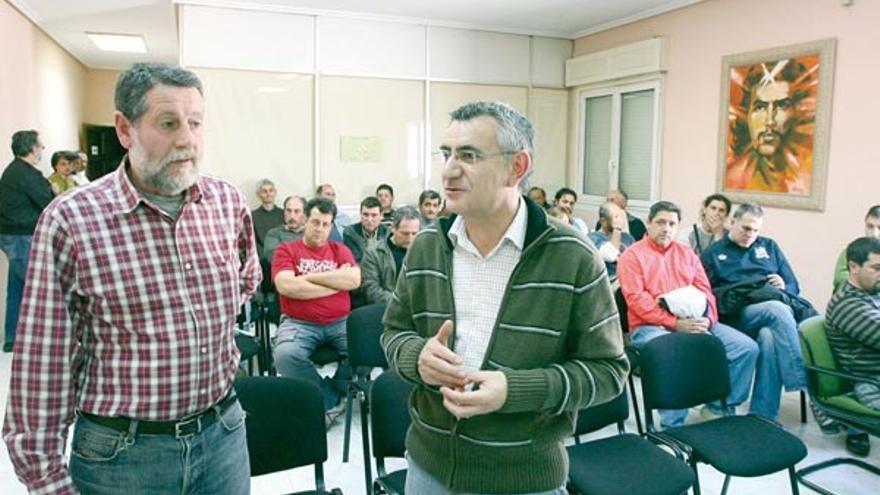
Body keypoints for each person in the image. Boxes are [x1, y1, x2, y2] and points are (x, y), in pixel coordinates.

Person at [2, 63, 261, 494]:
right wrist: (46, 479)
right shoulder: (72, 220)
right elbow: (43, 362)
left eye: (195, 123)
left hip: (223, 439)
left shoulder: (226, 202)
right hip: (123, 456)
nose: (187, 139)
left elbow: (246, 279)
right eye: (168, 123)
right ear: (124, 129)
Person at [381, 101, 628, 494]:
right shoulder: (427, 245)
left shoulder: (573, 256)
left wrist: (515, 390)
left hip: (524, 477)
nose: (448, 170)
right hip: (428, 470)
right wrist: (417, 358)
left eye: (469, 155)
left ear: (517, 166)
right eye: (446, 154)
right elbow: (394, 331)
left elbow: (608, 372)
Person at [617, 201, 758, 428]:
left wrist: (708, 319)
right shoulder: (632, 256)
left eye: (672, 224)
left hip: (695, 321)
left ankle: (717, 408)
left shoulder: (686, 254)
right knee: (676, 352)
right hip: (649, 327)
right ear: (648, 223)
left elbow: (706, 292)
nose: (666, 229)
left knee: (746, 348)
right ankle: (673, 426)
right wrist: (674, 323)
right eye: (661, 222)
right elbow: (636, 301)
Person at [701, 203, 810, 420]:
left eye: (756, 230)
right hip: (734, 317)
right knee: (776, 309)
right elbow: (706, 294)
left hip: (769, 314)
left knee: (770, 337)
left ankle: (763, 415)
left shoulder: (769, 247)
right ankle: (803, 382)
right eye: (745, 228)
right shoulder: (714, 253)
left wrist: (783, 285)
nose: (750, 234)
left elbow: (793, 286)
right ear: (732, 222)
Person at [272, 197, 360, 421]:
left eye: (325, 224)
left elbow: (353, 281)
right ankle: (325, 397)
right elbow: (287, 286)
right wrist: (335, 283)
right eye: (315, 222)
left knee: (368, 350)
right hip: (298, 322)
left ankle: (337, 388)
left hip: (340, 321)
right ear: (305, 220)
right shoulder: (286, 250)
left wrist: (309, 278)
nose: (320, 229)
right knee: (284, 357)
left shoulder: (340, 250)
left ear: (332, 226)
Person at [726, 59, 815, 193]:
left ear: (797, 112)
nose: (769, 121)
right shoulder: (732, 178)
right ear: (747, 113)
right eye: (760, 108)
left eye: (782, 107)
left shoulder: (808, 176)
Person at [0, 130, 53, 353]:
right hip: (23, 237)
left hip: (11, 236)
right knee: (39, 289)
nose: (42, 150)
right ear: (32, 149)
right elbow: (48, 203)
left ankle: (12, 338)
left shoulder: (12, 171)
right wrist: (54, 191)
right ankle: (41, 340)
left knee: (17, 288)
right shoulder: (28, 174)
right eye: (41, 146)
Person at [826, 236, 880, 457]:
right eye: (876, 268)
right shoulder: (848, 304)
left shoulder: (871, 292)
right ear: (853, 267)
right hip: (871, 384)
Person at [361, 206, 420, 305]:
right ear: (393, 228)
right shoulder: (374, 252)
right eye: (405, 233)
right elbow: (371, 290)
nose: (410, 239)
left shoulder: (424, 252)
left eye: (414, 234)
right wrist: (402, 303)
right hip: (385, 308)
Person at [834, 205, 880, 293]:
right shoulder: (854, 249)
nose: (875, 233)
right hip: (856, 300)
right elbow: (839, 279)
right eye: (870, 226)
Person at [588, 201, 635, 280]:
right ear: (603, 221)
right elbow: (611, 255)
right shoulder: (593, 238)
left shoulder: (628, 238)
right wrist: (617, 229)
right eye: (616, 216)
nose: (621, 220)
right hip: (608, 282)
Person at [262, 195, 307, 267]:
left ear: (304, 214)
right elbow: (274, 258)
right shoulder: (273, 234)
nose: (292, 216)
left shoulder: (311, 233)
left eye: (297, 211)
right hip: (284, 275)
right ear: (284, 212)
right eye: (288, 211)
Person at [342, 196, 388, 263]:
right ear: (360, 214)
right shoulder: (349, 232)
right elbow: (356, 259)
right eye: (366, 215)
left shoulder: (387, 233)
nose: (369, 220)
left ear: (381, 215)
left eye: (374, 215)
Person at [251, 178, 284, 255]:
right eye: (264, 191)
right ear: (258, 194)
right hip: (261, 259)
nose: (268, 194)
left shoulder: (284, 214)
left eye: (271, 190)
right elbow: (252, 241)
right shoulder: (252, 216)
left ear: (275, 192)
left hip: (281, 257)